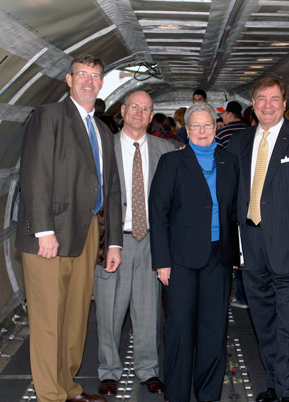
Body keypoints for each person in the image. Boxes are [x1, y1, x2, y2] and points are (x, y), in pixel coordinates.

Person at [16, 55, 122, 402]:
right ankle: (50, 395)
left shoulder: (103, 130)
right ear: (68, 79)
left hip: (88, 231)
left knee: (75, 318)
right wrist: (43, 230)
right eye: (82, 75)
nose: (89, 81)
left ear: (102, 83)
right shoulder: (49, 117)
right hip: (51, 233)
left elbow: (112, 188)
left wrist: (114, 243)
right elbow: (34, 175)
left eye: (95, 76)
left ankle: (68, 387)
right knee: (48, 321)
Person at [227, 77, 289, 402]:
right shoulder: (240, 144)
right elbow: (232, 195)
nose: (267, 105)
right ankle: (272, 383)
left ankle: (287, 391)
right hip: (252, 247)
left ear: (284, 103)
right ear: (253, 104)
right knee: (264, 322)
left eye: (274, 99)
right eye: (261, 99)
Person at [149, 102, 239, 402]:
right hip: (180, 260)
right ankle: (176, 395)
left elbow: (234, 211)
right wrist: (162, 261)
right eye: (196, 126)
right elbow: (158, 215)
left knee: (214, 331)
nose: (202, 131)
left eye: (208, 125)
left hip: (219, 257)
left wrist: (236, 254)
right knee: (179, 330)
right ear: (186, 130)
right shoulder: (171, 163)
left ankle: (209, 394)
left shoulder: (230, 162)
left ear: (217, 128)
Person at [94, 91, 176, 397]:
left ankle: (148, 369)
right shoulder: (105, 148)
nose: (139, 113)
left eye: (146, 109)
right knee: (108, 311)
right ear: (123, 111)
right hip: (115, 240)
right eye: (134, 107)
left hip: (151, 240)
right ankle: (109, 371)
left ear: (152, 115)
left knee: (149, 310)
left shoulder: (164, 149)